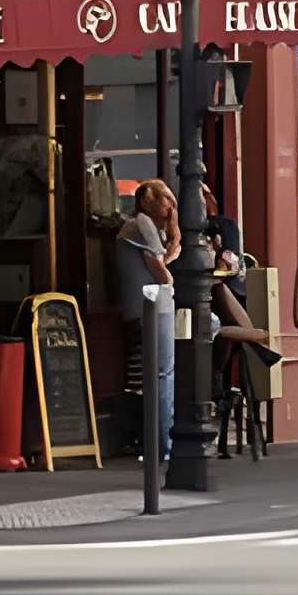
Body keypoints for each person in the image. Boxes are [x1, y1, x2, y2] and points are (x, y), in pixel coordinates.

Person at [119, 180, 182, 462]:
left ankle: (155, 442)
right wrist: (176, 234)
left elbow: (161, 260)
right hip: (153, 309)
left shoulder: (141, 228)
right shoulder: (142, 224)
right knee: (162, 375)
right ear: (146, 199)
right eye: (167, 198)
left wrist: (174, 235)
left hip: (140, 310)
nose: (171, 205)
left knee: (151, 376)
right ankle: (164, 445)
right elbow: (161, 272)